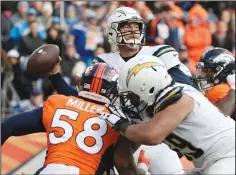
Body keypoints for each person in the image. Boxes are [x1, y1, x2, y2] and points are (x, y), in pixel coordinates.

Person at [48, 7, 189, 174]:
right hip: (120, 139)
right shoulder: (103, 62)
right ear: (113, 30)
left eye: (136, 26)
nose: (133, 31)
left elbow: (187, 91)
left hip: (158, 136)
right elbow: (83, 102)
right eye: (126, 27)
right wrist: (55, 76)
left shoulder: (160, 53)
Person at [2, 63, 148, 175]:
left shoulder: (59, 103)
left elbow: (8, 126)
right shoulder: (116, 118)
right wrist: (142, 168)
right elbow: (122, 163)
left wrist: (55, 76)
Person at [99, 55, 235, 174]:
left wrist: (120, 125)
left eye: (131, 95)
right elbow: (124, 155)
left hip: (229, 155)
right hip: (208, 163)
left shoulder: (181, 97)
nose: (129, 101)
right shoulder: (150, 107)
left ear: (148, 87)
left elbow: (151, 135)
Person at [195, 47, 235, 118]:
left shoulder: (220, 90)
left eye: (208, 71)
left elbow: (223, 116)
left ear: (222, 70)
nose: (203, 75)